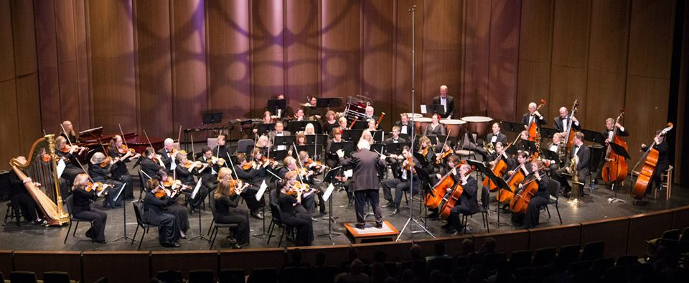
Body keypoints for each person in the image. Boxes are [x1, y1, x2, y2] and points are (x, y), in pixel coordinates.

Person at [337, 140, 387, 229]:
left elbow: (344, 163)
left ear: (359, 147)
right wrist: (383, 158)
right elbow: (383, 165)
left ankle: (361, 224)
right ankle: (379, 223)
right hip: (372, 182)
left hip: (359, 183)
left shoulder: (355, 155)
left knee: (359, 203)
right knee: (375, 203)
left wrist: (340, 156)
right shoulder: (375, 155)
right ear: (368, 147)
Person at [381, 146, 421, 216]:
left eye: (405, 153)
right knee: (385, 182)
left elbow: (417, 177)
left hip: (410, 182)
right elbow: (399, 172)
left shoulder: (415, 161)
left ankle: (397, 207)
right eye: (403, 153)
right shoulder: (404, 159)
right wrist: (402, 167)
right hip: (401, 179)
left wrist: (412, 170)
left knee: (399, 187)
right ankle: (390, 201)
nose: (403, 155)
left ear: (409, 152)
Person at [591, 118, 630, 189]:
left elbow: (627, 133)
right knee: (601, 163)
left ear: (613, 124)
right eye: (606, 124)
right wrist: (605, 142)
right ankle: (595, 178)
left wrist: (620, 126)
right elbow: (601, 141)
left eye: (609, 124)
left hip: (615, 152)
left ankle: (615, 179)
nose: (607, 126)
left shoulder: (617, 130)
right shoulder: (603, 132)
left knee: (615, 165)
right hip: (606, 150)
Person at [278, 171, 314, 246]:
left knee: (307, 217)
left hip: (288, 213)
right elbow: (298, 201)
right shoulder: (286, 196)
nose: (289, 186)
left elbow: (292, 203)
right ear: (284, 187)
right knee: (305, 223)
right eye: (287, 185)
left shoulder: (279, 193)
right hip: (288, 217)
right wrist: (298, 191)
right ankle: (300, 242)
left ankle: (308, 240)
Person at [143, 179, 182, 247]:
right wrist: (168, 195)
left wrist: (170, 193)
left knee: (170, 217)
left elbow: (160, 201)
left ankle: (164, 239)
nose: (158, 187)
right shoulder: (150, 197)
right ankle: (170, 241)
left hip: (154, 214)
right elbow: (163, 203)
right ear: (154, 187)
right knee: (172, 218)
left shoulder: (151, 194)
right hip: (152, 217)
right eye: (157, 186)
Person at [71, 173, 108, 243]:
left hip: (86, 209)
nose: (88, 181)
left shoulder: (84, 188)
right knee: (97, 217)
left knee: (103, 215)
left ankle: (91, 233)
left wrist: (102, 190)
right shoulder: (77, 190)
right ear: (81, 181)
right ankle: (99, 238)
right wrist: (94, 188)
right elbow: (89, 194)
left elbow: (93, 198)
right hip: (79, 211)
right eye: (86, 180)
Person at [442, 164, 478, 235]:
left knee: (453, 210)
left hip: (469, 204)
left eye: (461, 170)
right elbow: (457, 189)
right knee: (448, 204)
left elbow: (470, 193)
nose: (459, 172)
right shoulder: (461, 178)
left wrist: (464, 182)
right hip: (462, 200)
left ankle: (459, 229)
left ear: (466, 170)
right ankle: (451, 225)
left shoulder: (472, 181)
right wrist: (451, 190)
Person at [213, 178, 250, 248]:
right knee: (243, 219)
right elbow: (234, 205)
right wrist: (238, 195)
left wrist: (235, 194)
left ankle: (235, 236)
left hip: (221, 214)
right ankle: (240, 242)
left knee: (242, 213)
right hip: (222, 217)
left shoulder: (219, 193)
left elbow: (230, 201)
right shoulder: (222, 197)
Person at [515, 160, 551, 229]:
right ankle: (518, 219)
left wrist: (538, 178)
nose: (532, 167)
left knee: (532, 202)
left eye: (534, 166)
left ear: (539, 167)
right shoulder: (532, 174)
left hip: (543, 196)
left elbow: (544, 186)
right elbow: (526, 179)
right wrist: (521, 183)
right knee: (517, 194)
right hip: (535, 194)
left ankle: (528, 225)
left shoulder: (544, 175)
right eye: (532, 165)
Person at [107, 135, 139, 200]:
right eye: (119, 141)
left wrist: (134, 157)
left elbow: (125, 160)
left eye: (121, 140)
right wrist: (127, 155)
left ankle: (129, 196)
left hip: (122, 167)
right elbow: (119, 161)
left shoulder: (121, 149)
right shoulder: (111, 150)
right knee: (125, 179)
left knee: (130, 179)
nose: (121, 142)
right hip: (116, 169)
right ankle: (124, 196)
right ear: (115, 142)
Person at [641, 131, 670, 195]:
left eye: (658, 136)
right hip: (655, 162)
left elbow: (662, 150)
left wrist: (657, 142)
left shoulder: (665, 144)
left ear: (662, 137)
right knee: (650, 173)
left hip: (662, 163)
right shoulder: (654, 144)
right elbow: (649, 151)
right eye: (656, 135)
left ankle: (658, 183)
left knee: (656, 174)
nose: (656, 137)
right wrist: (644, 147)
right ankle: (647, 191)